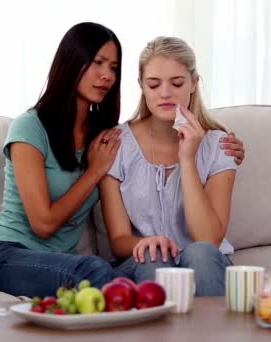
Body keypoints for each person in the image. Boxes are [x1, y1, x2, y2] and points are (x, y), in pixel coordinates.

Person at [0, 24, 245, 298]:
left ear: (193, 84)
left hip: (64, 261)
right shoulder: (34, 128)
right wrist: (94, 171)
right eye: (98, 63)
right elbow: (43, 223)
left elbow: (208, 239)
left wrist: (198, 156)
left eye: (114, 67)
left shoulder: (102, 136)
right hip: (7, 252)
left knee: (166, 260)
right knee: (106, 270)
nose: (106, 76)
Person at [100, 36, 237, 296]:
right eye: (153, 84)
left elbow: (208, 238)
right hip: (143, 262)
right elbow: (118, 241)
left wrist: (187, 158)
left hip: (204, 262)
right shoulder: (117, 144)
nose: (165, 93)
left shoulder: (219, 145)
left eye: (177, 83)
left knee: (200, 253)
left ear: (194, 84)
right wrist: (149, 242)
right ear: (141, 85)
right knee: (154, 255)